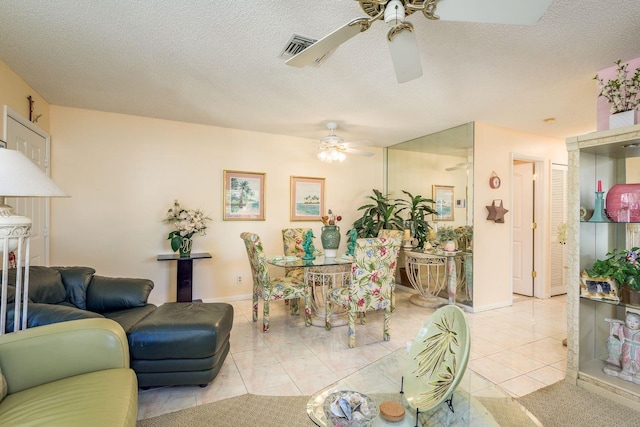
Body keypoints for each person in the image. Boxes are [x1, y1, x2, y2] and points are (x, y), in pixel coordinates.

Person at [618, 311, 640, 384]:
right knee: (626, 358)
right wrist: (622, 340)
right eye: (629, 320)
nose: (632, 324)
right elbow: (620, 334)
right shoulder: (623, 328)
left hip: (638, 348)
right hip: (627, 346)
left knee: (637, 359)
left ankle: (638, 372)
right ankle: (626, 370)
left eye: (636, 322)